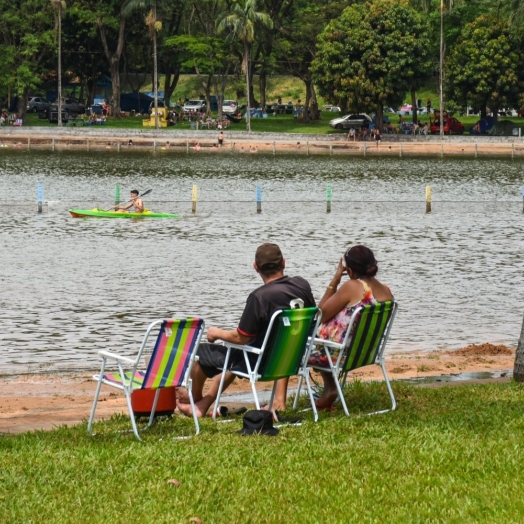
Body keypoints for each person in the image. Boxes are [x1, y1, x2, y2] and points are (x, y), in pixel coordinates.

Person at [177, 243, 315, 417]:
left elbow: (240, 337)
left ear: (256, 267)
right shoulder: (302, 285)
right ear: (284, 263)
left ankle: (195, 401)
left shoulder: (260, 297)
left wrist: (216, 333)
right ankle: (202, 404)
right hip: (292, 358)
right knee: (240, 352)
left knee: (197, 353)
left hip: (261, 364)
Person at [308, 245, 394, 410]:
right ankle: (329, 389)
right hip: (365, 353)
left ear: (350, 270)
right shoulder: (387, 292)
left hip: (339, 355)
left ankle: (330, 388)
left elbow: (320, 315)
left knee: (313, 340)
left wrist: (335, 280)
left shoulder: (352, 286)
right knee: (325, 338)